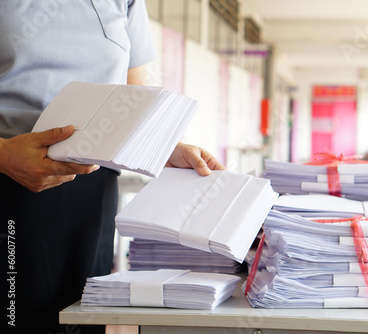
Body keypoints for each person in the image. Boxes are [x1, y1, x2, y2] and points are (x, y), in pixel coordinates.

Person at [0, 1, 223, 333]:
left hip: (92, 188)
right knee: (18, 320)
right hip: (11, 181)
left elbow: (132, 104)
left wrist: (163, 147)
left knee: (80, 321)